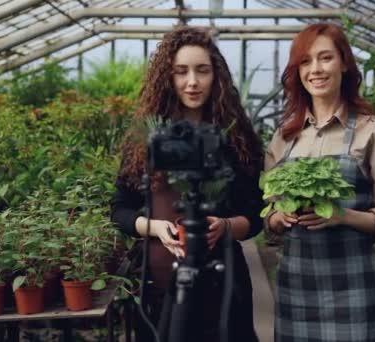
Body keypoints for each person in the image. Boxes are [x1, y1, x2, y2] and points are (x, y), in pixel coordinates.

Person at [110, 26, 263, 342]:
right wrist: (155, 228)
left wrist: (225, 225)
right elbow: (119, 209)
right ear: (167, 77)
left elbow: (256, 213)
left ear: (215, 76)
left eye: (202, 70)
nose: (192, 82)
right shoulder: (146, 139)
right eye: (181, 72)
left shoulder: (236, 137)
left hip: (223, 284)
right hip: (159, 284)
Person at [265, 23, 375, 341]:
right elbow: (270, 219)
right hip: (296, 288)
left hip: (353, 286)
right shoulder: (284, 138)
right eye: (305, 61)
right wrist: (279, 217)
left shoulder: (374, 133)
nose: (315, 69)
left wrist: (342, 216)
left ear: (344, 63)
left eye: (325, 58)